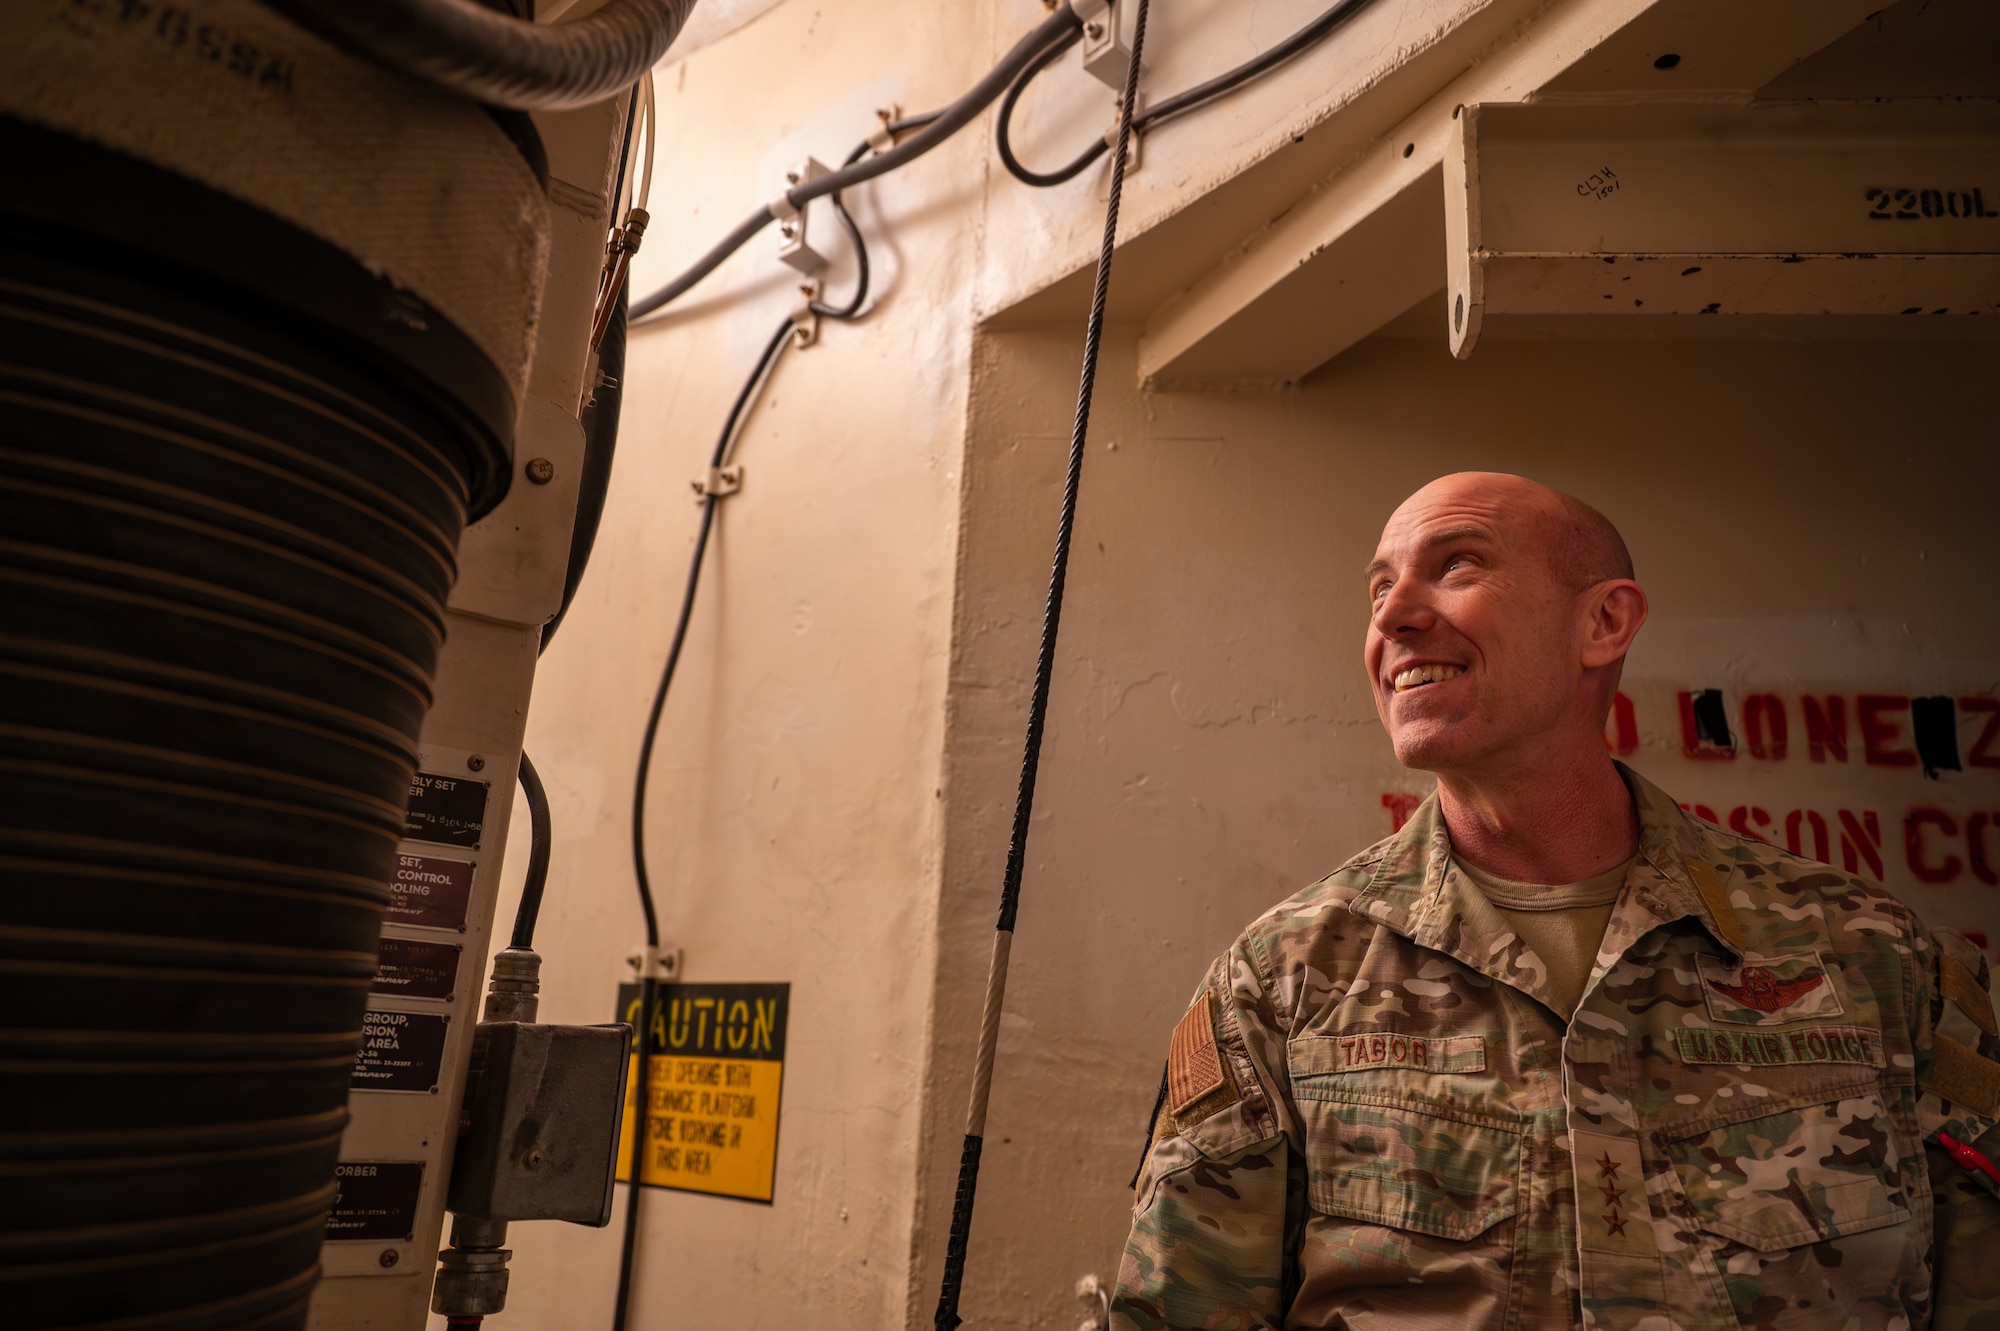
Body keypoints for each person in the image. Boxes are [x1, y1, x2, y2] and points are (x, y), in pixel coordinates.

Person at [1111, 472, 2000, 1330]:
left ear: (1605, 621)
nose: (1393, 613)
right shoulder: (1287, 978)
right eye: (1379, 587)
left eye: (1456, 565)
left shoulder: (1873, 957)